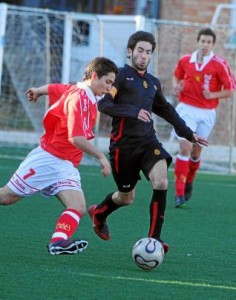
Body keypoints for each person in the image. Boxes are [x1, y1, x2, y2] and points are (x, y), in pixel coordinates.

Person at [87, 31, 208, 254]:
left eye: (148, 52)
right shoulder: (120, 76)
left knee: (161, 182)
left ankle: (154, 239)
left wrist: (189, 134)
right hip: (122, 147)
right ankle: (100, 213)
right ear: (130, 52)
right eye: (140, 51)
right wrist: (133, 111)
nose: (144, 56)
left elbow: (167, 111)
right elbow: (104, 105)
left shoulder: (153, 83)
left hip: (148, 142)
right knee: (126, 197)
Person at [0, 57, 119, 255]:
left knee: (78, 206)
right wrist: (100, 157)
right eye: (107, 82)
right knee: (6, 197)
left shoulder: (83, 92)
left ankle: (58, 242)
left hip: (66, 165)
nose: (109, 87)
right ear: (94, 76)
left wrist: (38, 90)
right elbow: (76, 137)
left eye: (112, 84)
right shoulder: (79, 98)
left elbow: (56, 88)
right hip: (47, 159)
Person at [172, 28, 236, 208]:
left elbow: (230, 91)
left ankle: (189, 180)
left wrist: (213, 94)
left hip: (207, 112)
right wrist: (177, 86)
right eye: (203, 41)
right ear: (198, 42)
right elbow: (176, 76)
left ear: (212, 44)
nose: (205, 45)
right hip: (186, 109)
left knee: (196, 151)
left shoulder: (220, 64)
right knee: (185, 145)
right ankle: (179, 193)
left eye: (209, 42)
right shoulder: (185, 60)